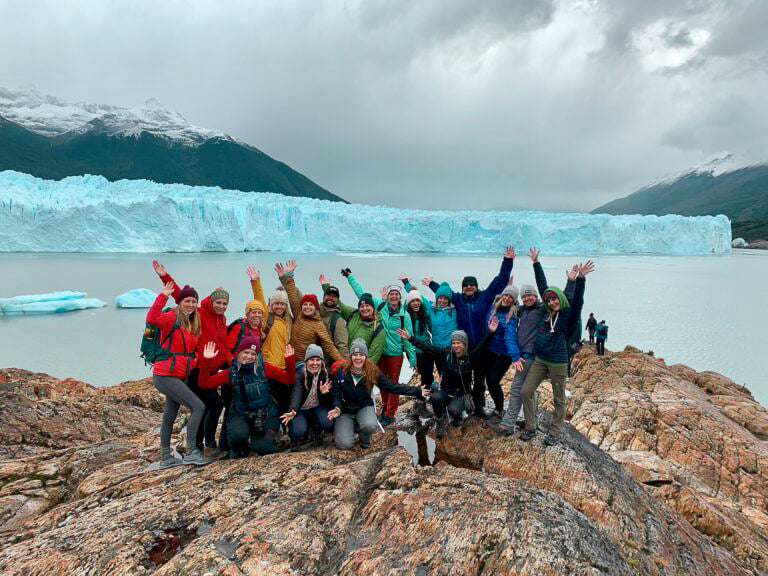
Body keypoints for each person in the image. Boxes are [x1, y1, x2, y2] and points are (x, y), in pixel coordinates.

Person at [424, 246, 515, 415]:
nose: (469, 287)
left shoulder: (484, 297)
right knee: (461, 376)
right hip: (464, 347)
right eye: (466, 285)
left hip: (482, 345)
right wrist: (431, 284)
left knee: (480, 378)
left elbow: (499, 282)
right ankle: (458, 401)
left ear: (476, 286)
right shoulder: (458, 299)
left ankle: (478, 406)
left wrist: (508, 261)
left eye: (472, 284)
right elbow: (445, 293)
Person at [152, 260, 230, 458]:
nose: (221, 306)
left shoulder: (219, 320)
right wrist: (164, 277)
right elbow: (181, 296)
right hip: (186, 370)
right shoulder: (198, 313)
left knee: (178, 413)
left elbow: (221, 345)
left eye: (224, 303)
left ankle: (173, 454)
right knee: (206, 405)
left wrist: (230, 361)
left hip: (199, 369)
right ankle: (199, 446)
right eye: (218, 302)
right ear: (210, 302)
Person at [519, 261, 594, 447]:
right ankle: (530, 426)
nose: (552, 302)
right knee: (525, 391)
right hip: (540, 359)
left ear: (560, 299)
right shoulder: (546, 311)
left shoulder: (569, 315)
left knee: (558, 398)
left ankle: (555, 432)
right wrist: (536, 263)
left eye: (554, 299)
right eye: (549, 299)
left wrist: (580, 280)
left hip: (558, 363)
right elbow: (543, 286)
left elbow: (577, 300)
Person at [398, 316, 498, 438]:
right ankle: (440, 419)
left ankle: (454, 412)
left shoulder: (470, 357)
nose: (455, 346)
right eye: (454, 343)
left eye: (458, 343)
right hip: (445, 391)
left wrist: (491, 332)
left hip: (460, 394)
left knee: (454, 411)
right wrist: (410, 338)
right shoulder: (446, 354)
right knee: (435, 398)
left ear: (464, 344)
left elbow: (483, 346)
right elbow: (428, 348)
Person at [146, 282, 211, 467]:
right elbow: (152, 319)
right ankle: (191, 452)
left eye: (194, 301)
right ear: (180, 302)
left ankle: (166, 457)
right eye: (187, 300)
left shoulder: (192, 323)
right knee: (198, 406)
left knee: (169, 415)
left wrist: (198, 358)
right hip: (165, 375)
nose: (190, 304)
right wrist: (163, 295)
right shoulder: (170, 319)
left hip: (180, 375)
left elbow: (190, 351)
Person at [199, 334, 296, 457]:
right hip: (241, 415)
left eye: (253, 354)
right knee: (237, 438)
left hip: (267, 416)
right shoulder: (231, 373)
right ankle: (239, 446)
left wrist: (290, 361)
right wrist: (206, 361)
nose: (249, 356)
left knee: (263, 448)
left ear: (257, 356)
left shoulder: (265, 368)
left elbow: (289, 379)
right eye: (246, 352)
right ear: (239, 353)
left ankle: (274, 434)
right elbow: (204, 383)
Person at [343, 268, 417, 427]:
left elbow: (408, 338)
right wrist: (351, 277)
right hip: (380, 353)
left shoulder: (405, 315)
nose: (394, 296)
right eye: (392, 293)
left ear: (400, 296)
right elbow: (363, 296)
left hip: (395, 354)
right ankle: (385, 410)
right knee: (381, 382)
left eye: (397, 294)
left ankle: (390, 415)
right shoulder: (380, 306)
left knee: (394, 383)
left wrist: (412, 358)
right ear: (388, 296)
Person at [328, 339, 429, 449]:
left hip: (363, 406)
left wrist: (417, 391)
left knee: (370, 426)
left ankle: (364, 436)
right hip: (345, 410)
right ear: (350, 356)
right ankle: (352, 425)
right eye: (355, 354)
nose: (358, 358)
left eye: (361, 354)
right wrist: (337, 407)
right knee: (344, 444)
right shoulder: (341, 372)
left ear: (365, 356)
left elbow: (391, 386)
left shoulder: (372, 371)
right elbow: (335, 394)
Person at [275, 260, 343, 366]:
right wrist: (288, 276)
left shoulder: (318, 325)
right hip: (287, 359)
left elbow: (329, 346)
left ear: (315, 308)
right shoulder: (299, 314)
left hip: (302, 364)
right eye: (305, 304)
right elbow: (292, 295)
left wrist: (342, 362)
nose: (307, 307)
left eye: (311, 305)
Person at [280, 344, 335, 450]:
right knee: (298, 430)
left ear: (322, 361)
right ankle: (294, 439)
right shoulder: (300, 374)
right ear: (306, 361)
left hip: (316, 407)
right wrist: (293, 410)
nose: (315, 363)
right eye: (312, 360)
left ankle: (316, 430)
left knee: (328, 421)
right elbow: (297, 392)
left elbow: (329, 401)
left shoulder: (325, 374)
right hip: (299, 409)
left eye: (318, 360)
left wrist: (325, 393)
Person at [484, 285, 524, 419]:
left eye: (511, 297)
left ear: (514, 300)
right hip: (490, 351)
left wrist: (515, 356)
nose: (507, 298)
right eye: (505, 295)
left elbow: (510, 336)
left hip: (504, 354)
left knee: (493, 381)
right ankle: (498, 408)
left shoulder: (511, 315)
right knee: (489, 381)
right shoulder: (494, 307)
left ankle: (500, 409)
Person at [403, 287, 434, 419]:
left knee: (429, 376)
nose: (415, 303)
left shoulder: (424, 314)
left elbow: (432, 329)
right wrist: (412, 358)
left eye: (417, 300)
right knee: (426, 377)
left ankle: (423, 400)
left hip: (428, 349)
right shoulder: (405, 316)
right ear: (408, 303)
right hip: (417, 352)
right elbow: (406, 339)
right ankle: (419, 404)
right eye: (412, 301)